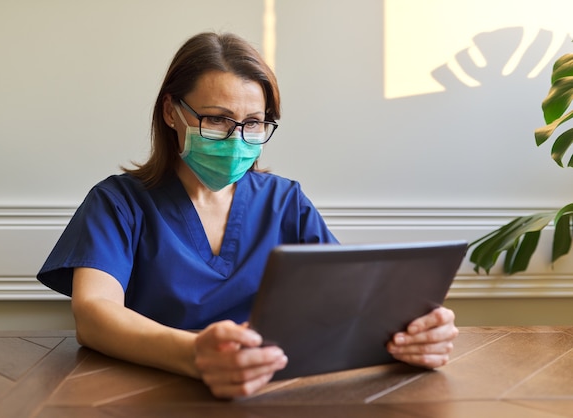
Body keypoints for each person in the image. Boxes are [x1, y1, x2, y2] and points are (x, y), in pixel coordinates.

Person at [37, 31, 459, 399]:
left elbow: (344, 305)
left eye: (253, 123)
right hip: (145, 392)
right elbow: (93, 314)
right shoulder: (118, 203)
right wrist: (194, 354)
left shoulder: (285, 201)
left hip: (273, 391)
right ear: (171, 112)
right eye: (217, 120)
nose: (237, 139)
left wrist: (410, 336)